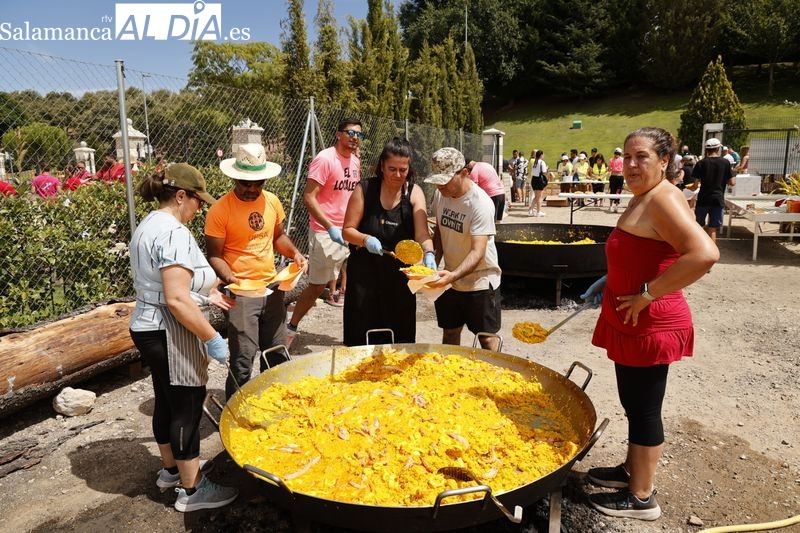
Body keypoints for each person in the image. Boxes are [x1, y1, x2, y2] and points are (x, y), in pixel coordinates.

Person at [579, 127, 718, 522]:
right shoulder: (646, 196)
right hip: (633, 319)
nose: (633, 165)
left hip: (650, 322)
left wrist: (647, 292)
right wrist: (615, 277)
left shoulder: (662, 200)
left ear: (664, 161)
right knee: (634, 402)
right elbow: (650, 250)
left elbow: (705, 254)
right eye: (628, 157)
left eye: (642, 157)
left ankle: (641, 498)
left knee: (643, 409)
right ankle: (629, 471)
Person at [128, 163, 239, 512]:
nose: (200, 207)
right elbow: (175, 299)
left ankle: (172, 471)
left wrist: (206, 296)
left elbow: (168, 287)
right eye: (197, 201)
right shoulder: (174, 232)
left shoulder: (149, 224)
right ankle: (192, 492)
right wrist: (211, 338)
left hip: (148, 323)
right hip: (167, 328)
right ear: (180, 196)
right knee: (189, 405)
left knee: (167, 398)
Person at [204, 143, 306, 400]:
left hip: (272, 288)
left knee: (277, 354)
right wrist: (229, 278)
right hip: (240, 293)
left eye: (257, 183)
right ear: (234, 177)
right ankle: (235, 410)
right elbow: (215, 255)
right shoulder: (220, 210)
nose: (251, 189)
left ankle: (272, 403)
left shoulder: (271, 201)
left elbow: (278, 237)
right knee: (243, 359)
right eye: (245, 183)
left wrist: (294, 253)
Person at [341, 137, 434, 346]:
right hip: (364, 277)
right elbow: (347, 230)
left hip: (399, 280)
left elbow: (422, 234)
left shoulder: (413, 192)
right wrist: (365, 239)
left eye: (403, 170)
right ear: (382, 165)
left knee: (399, 341)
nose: (398, 175)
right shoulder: (365, 189)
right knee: (361, 338)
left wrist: (429, 253)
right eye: (392, 169)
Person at [287, 119, 363, 346]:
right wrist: (330, 226)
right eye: (350, 133)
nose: (354, 137)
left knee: (355, 282)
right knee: (318, 285)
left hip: (349, 231)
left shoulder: (355, 162)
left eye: (358, 134)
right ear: (338, 134)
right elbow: (309, 197)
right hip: (325, 232)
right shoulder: (325, 159)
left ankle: (357, 332)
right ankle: (291, 327)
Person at [424, 147, 502, 352]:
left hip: (480, 281)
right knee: (450, 331)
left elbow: (478, 252)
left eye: (446, 180)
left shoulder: (480, 203)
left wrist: (451, 277)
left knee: (486, 338)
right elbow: (440, 229)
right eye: (437, 180)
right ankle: (449, 375)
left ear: (464, 173)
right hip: (449, 275)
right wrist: (433, 259)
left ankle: (493, 379)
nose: (440, 185)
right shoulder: (441, 195)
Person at [691, 137, 735, 244]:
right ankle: (712, 254)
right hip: (718, 199)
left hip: (703, 199)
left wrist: (690, 187)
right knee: (713, 229)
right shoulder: (725, 163)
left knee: (699, 227)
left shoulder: (700, 163)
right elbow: (732, 183)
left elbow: (695, 186)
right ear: (718, 149)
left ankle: (699, 251)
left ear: (706, 150)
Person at [528, 150, 548, 217]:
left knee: (536, 196)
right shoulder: (542, 162)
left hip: (534, 179)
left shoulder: (535, 162)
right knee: (539, 197)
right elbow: (544, 172)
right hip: (539, 180)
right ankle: (538, 212)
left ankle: (531, 209)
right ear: (541, 155)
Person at [608, 147, 624, 213]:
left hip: (620, 176)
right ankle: (611, 206)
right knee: (612, 190)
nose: (616, 155)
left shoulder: (623, 160)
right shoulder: (611, 160)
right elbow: (609, 168)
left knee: (618, 191)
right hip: (613, 176)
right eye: (616, 153)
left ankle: (616, 206)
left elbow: (624, 169)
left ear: (620, 154)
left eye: (618, 153)